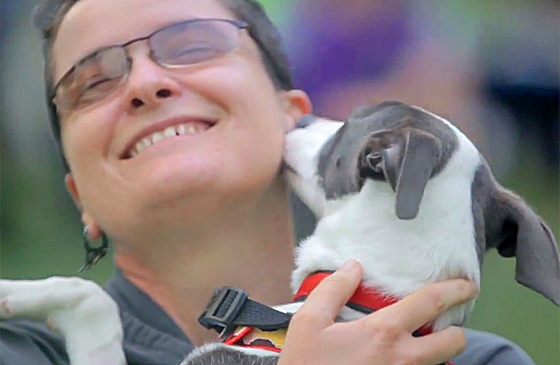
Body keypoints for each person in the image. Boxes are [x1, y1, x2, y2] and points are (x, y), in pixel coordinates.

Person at [0, 0, 537, 364]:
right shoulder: (21, 348)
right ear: (80, 201)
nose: (144, 82)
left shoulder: (470, 358)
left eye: (191, 46)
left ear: (294, 118)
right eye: (92, 83)